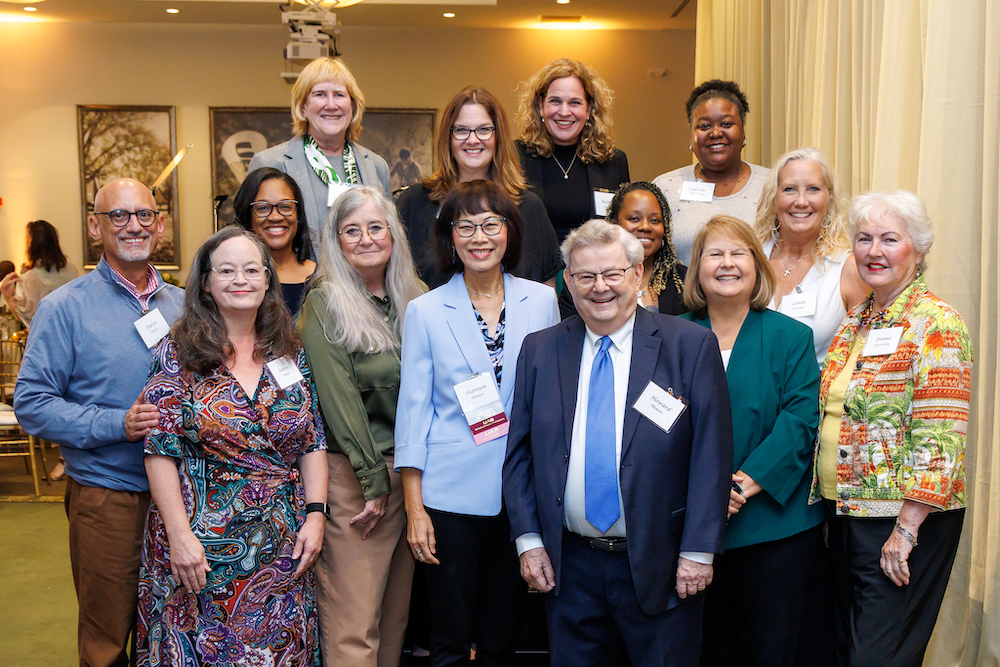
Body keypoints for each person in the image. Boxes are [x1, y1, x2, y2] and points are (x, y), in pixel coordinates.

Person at [503, 219, 733, 667]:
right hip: (569, 567)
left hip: (663, 564)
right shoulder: (540, 350)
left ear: (638, 274)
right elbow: (519, 457)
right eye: (585, 276)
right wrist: (529, 541)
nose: (599, 287)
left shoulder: (690, 346)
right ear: (567, 282)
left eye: (612, 273)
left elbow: (712, 455)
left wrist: (698, 551)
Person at [136, 226, 328, 666]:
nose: (240, 280)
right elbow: (160, 450)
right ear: (206, 282)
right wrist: (180, 537)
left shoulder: (288, 351)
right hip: (200, 549)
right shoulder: (177, 352)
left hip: (283, 545)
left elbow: (312, 437)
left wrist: (316, 516)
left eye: (251, 270)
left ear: (267, 280)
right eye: (226, 270)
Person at [14, 178, 185, 667]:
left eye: (144, 215)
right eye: (119, 216)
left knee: (171, 633)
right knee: (107, 639)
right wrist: (118, 424)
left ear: (160, 223)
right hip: (110, 496)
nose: (134, 226)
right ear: (95, 225)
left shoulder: (182, 304)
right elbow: (31, 403)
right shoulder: (64, 308)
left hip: (183, 499)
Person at [394, 180, 559, 666]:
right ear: (449, 237)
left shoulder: (542, 302)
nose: (479, 236)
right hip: (450, 497)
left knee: (501, 638)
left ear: (510, 232)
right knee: (447, 639)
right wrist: (415, 508)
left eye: (491, 223)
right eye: (465, 226)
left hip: (522, 495)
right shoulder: (424, 311)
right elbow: (414, 411)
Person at [812, 191, 972, 667]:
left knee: (879, 657)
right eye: (863, 239)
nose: (873, 251)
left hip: (902, 521)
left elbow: (940, 438)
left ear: (918, 251)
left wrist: (906, 529)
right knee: (843, 650)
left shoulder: (936, 323)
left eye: (889, 239)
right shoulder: (856, 322)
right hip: (843, 515)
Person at [678, 215, 825, 667]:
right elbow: (654, 425)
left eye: (738, 253)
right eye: (714, 253)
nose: (727, 264)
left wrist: (738, 486)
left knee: (771, 653)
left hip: (774, 531)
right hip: (691, 530)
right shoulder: (670, 338)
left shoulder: (791, 337)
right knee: (705, 651)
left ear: (757, 266)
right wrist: (704, 493)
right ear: (697, 268)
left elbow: (800, 421)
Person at [298, 187, 426, 667]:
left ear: (393, 234)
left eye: (376, 227)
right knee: (355, 628)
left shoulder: (415, 298)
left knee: (393, 621)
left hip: (410, 479)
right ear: (336, 241)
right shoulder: (326, 303)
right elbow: (337, 400)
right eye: (352, 230)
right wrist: (374, 483)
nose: (366, 238)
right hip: (358, 480)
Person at [396, 86, 562, 290]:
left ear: (498, 137)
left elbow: (547, 289)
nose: (473, 140)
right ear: (448, 138)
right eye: (461, 130)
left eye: (484, 129)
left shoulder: (529, 207)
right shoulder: (415, 202)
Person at [249, 57, 391, 257]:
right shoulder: (271, 163)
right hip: (298, 286)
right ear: (303, 107)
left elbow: (387, 236)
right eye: (320, 94)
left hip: (365, 284)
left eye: (340, 95)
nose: (331, 105)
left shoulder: (376, 166)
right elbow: (252, 241)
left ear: (352, 106)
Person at [753, 148, 869, 364]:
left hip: (815, 394)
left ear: (829, 198)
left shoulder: (849, 269)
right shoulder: (751, 258)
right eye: (789, 189)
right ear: (773, 198)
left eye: (813, 189)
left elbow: (862, 356)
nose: (801, 201)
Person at [652, 79, 769, 266]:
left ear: (743, 132)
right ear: (692, 135)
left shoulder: (771, 185)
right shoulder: (665, 188)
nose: (715, 133)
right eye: (704, 126)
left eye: (726, 124)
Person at [516, 58, 630, 242]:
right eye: (555, 101)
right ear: (540, 105)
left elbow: (621, 231)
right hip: (531, 268)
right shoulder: (515, 156)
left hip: (593, 267)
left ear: (589, 108)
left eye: (575, 103)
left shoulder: (613, 162)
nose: (564, 112)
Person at [558, 182, 687, 319]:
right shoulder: (584, 280)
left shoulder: (684, 281)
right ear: (614, 225)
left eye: (655, 220)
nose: (645, 227)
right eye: (634, 218)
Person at [233, 167, 316, 318]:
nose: (275, 217)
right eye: (263, 208)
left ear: (298, 214)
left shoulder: (322, 279)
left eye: (285, 206)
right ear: (247, 215)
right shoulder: (233, 281)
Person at [0, 219, 79, 327]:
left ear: (31, 245)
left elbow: (25, 317)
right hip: (71, 329)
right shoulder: (70, 268)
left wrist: (8, 296)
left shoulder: (30, 278)